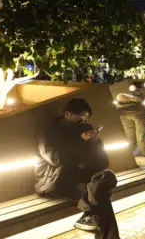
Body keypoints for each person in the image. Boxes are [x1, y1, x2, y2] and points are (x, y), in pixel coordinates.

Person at [35, 98, 120, 238]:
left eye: (86, 118)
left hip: (82, 177)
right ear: (68, 114)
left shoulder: (84, 130)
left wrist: (95, 143)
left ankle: (89, 215)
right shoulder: (49, 133)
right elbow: (57, 159)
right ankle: (90, 215)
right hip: (57, 180)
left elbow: (103, 162)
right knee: (100, 199)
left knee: (107, 176)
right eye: (80, 117)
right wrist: (80, 141)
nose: (83, 121)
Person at [115, 92, 145, 157]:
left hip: (122, 112)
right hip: (139, 112)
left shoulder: (120, 102)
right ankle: (144, 154)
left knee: (129, 135)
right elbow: (142, 136)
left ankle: (130, 156)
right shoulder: (138, 102)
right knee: (141, 135)